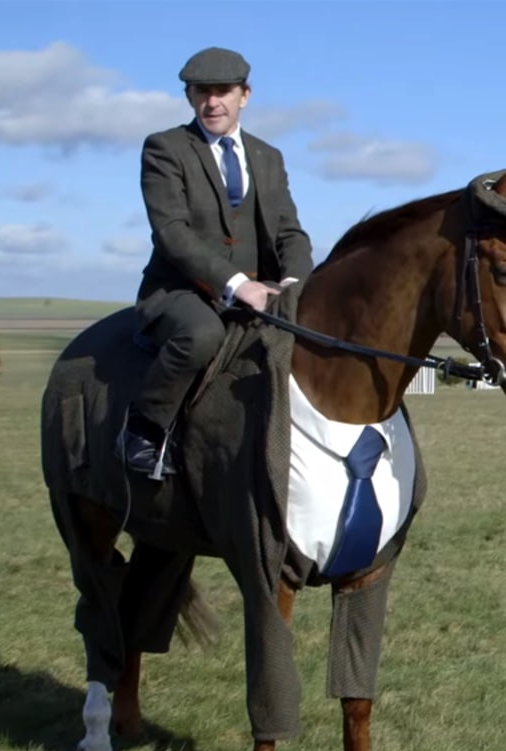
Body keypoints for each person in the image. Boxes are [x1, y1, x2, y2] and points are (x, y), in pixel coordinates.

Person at [123, 46, 313, 477]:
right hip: (180, 292)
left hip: (263, 292)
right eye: (201, 92)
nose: (213, 102)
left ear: (244, 95)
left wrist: (294, 282)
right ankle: (144, 429)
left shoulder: (269, 157)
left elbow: (290, 231)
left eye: (223, 91)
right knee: (202, 335)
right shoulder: (165, 148)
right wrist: (237, 283)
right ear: (190, 97)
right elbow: (171, 233)